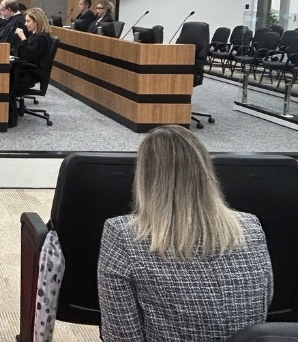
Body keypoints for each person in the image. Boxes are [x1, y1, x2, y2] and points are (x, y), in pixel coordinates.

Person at [98, 125, 273, 342]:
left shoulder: (123, 235)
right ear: (206, 171)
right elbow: (263, 308)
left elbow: (121, 336)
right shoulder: (251, 227)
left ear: (144, 176)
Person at [10, 7, 52, 91]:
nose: (25, 24)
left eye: (28, 21)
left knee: (5, 78)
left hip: (30, 73)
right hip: (26, 69)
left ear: (37, 22)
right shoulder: (34, 35)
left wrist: (23, 38)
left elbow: (29, 56)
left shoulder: (42, 38)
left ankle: (10, 103)